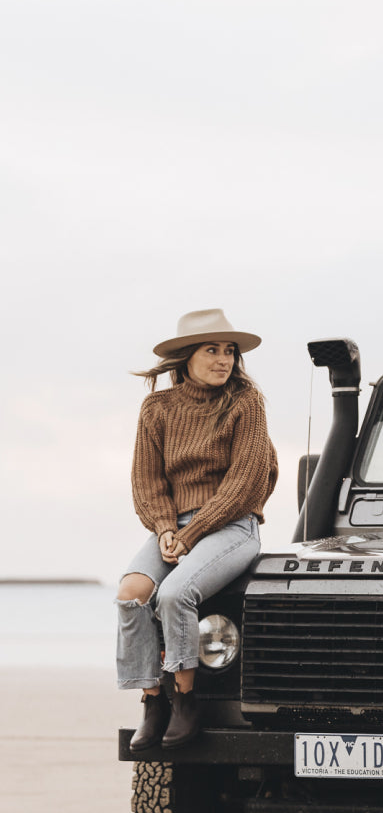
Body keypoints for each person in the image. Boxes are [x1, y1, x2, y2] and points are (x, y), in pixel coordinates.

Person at [116, 309, 278, 751]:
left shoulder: (246, 402)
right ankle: (153, 700)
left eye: (230, 351)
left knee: (174, 593)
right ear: (187, 356)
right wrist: (166, 529)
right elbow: (147, 482)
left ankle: (187, 698)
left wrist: (190, 535)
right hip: (175, 526)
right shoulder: (158, 408)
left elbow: (244, 484)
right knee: (132, 591)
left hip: (233, 525)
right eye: (212, 350)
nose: (224, 359)